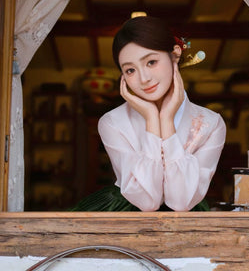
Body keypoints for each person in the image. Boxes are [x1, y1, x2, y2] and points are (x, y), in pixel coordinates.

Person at [70, 16, 226, 212]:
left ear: (175, 55)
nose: (143, 79)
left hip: (187, 226)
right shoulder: (112, 123)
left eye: (151, 62)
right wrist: (152, 119)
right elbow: (147, 201)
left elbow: (181, 202)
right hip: (122, 221)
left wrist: (166, 121)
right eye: (130, 70)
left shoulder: (211, 124)